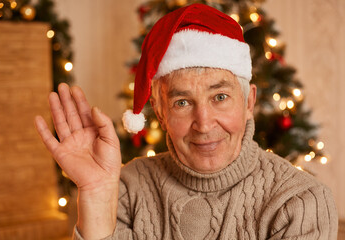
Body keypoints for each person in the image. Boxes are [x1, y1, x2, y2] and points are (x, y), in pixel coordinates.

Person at [35, 4, 338, 240]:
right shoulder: (125, 188)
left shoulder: (300, 202)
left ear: (249, 102)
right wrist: (99, 196)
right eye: (182, 103)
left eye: (219, 97)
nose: (203, 124)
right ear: (160, 110)